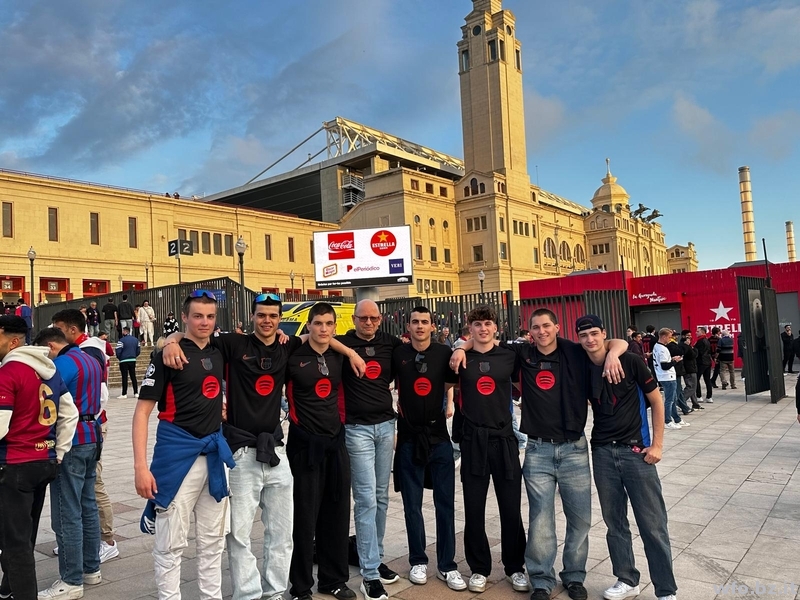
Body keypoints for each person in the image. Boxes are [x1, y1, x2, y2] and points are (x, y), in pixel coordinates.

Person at [161, 293, 363, 600]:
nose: (267, 321)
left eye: (273, 316)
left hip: (276, 452)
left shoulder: (287, 345)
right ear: (252, 317)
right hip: (241, 453)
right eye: (261, 315)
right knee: (239, 534)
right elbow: (196, 334)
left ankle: (275, 592)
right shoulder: (234, 344)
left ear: (280, 319)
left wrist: (350, 352)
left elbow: (319, 337)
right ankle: (248, 595)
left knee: (281, 533)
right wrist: (170, 340)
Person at [451, 308, 628, 600]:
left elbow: (615, 343)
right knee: (540, 520)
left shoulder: (574, 350)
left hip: (573, 448)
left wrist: (613, 355)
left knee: (580, 520)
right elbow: (483, 340)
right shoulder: (522, 353)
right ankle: (541, 579)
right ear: (529, 331)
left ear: (557, 327)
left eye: (546, 326)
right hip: (537, 448)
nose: (542, 331)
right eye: (536, 327)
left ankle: (573, 576)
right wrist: (460, 347)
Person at [133, 290, 235, 600]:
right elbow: (141, 413)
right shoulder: (167, 356)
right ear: (185, 318)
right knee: (170, 542)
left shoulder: (219, 351)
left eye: (210, 316)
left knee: (213, 542)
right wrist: (140, 468)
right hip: (177, 455)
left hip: (213, 455)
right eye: (197, 316)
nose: (204, 322)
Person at [574, 315, 678, 600]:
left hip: (636, 452)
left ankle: (666, 590)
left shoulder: (630, 361)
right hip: (603, 452)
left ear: (603, 333)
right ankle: (627, 578)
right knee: (615, 523)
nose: (590, 340)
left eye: (594, 333)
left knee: (652, 524)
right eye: (583, 335)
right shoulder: (582, 365)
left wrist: (657, 445)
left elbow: (656, 400)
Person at [0, 316, 78, 600]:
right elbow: (70, 413)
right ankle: (8, 587)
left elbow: (1, 424)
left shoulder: (9, 373)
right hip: (43, 459)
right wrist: (59, 452)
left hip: (14, 463)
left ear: (13, 341)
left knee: (15, 539)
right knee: (25, 530)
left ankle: (22, 593)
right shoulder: (49, 370)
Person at [454, 305, 528, 593]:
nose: (483, 328)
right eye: (477, 324)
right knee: (474, 508)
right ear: (469, 328)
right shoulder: (461, 358)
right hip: (474, 440)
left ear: (496, 327)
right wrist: (461, 348)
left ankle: (515, 567)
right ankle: (479, 568)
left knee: (510, 507)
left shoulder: (510, 355)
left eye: (487, 323)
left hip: (504, 439)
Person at [393, 306, 466, 591]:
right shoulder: (398, 353)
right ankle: (418, 561)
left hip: (438, 439)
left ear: (433, 326)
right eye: (415, 322)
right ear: (408, 326)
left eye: (425, 322)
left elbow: (451, 380)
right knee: (412, 505)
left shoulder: (444, 353)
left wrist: (462, 347)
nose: (420, 326)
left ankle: (447, 565)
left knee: (445, 504)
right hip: (409, 439)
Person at [286, 303, 356, 600]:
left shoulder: (339, 355)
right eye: (318, 323)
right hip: (304, 445)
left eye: (328, 324)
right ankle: (301, 586)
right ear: (309, 325)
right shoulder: (293, 354)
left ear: (334, 327)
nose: (323, 329)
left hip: (335, 443)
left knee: (337, 514)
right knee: (304, 518)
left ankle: (333, 580)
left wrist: (351, 352)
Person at [337, 300, 403, 600]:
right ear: (354, 319)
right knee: (365, 499)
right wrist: (350, 352)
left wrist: (462, 347)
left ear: (380, 319)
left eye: (373, 318)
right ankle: (369, 574)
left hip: (385, 426)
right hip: (357, 430)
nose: (368, 323)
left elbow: (420, 350)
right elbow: (313, 339)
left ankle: (374, 557)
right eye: (362, 318)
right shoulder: (343, 343)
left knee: (380, 497)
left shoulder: (390, 343)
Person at [34, 325, 104, 599]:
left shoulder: (62, 364)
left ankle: (71, 580)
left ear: (50, 346)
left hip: (70, 439)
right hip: (91, 435)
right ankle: (91, 568)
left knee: (67, 512)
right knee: (88, 505)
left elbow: (47, 400)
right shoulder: (90, 358)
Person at [653, 328, 687, 430]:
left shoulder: (657, 346)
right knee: (670, 400)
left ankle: (676, 419)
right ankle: (667, 421)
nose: (670, 339)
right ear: (663, 337)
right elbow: (664, 366)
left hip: (664, 375)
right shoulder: (662, 349)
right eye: (669, 337)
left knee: (673, 398)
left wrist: (671, 359)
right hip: (667, 376)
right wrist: (675, 361)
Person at [678, 331, 702, 411]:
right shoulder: (684, 345)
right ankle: (680, 402)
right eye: (688, 335)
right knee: (691, 387)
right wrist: (692, 348)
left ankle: (695, 404)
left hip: (690, 367)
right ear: (683, 336)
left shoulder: (687, 344)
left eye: (690, 335)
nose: (690, 337)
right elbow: (693, 355)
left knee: (692, 387)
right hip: (689, 368)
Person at [116, 327, 141, 399]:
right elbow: (138, 350)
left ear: (125, 331)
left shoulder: (121, 340)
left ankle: (124, 393)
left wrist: (120, 357)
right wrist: (134, 355)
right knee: (133, 376)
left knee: (124, 377)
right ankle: (136, 392)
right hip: (132, 359)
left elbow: (118, 351)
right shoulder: (136, 340)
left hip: (123, 360)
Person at [694, 327, 713, 403]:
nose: (696, 332)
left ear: (702, 332)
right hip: (707, 361)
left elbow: (699, 352)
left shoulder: (700, 341)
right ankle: (709, 397)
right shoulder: (707, 340)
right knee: (707, 379)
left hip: (701, 362)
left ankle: (699, 396)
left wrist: (693, 349)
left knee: (696, 379)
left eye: (698, 331)